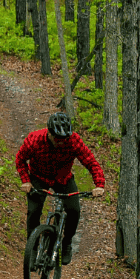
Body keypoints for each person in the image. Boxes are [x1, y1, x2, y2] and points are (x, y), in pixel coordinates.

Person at [15, 112, 105, 265]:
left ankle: (67, 242)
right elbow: (20, 159)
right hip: (38, 177)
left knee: (74, 210)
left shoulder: (73, 140)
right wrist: (26, 181)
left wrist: (99, 185)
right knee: (34, 211)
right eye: (57, 139)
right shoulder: (35, 139)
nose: (61, 142)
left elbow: (91, 162)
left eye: (64, 139)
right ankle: (33, 249)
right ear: (49, 133)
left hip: (63, 178)